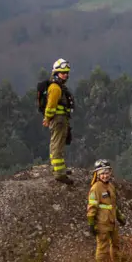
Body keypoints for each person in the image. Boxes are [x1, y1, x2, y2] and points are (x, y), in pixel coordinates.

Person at [86, 159, 125, 262]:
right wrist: (91, 223)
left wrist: (120, 217)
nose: (105, 175)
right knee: (102, 246)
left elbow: (113, 205)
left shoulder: (111, 186)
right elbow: (92, 206)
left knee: (116, 244)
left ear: (110, 172)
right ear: (97, 174)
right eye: (102, 173)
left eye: (107, 172)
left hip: (112, 222)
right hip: (102, 223)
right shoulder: (95, 188)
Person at [41, 58, 75, 186]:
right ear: (56, 73)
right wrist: (47, 118)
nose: (65, 75)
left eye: (66, 72)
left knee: (59, 144)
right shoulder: (55, 88)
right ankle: (59, 174)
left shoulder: (59, 86)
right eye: (62, 72)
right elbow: (51, 106)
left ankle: (60, 169)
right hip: (58, 119)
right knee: (57, 145)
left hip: (61, 119)